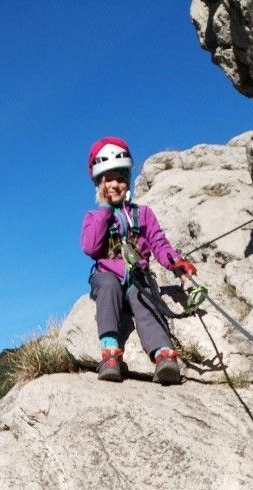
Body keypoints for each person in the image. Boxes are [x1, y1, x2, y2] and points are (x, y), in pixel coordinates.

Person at [81, 136, 197, 385]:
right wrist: (105, 210)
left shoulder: (143, 214)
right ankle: (110, 354)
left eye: (120, 178)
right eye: (108, 179)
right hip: (107, 275)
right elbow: (91, 247)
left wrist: (174, 262)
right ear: (99, 184)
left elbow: (158, 242)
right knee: (109, 287)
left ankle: (163, 355)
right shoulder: (94, 216)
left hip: (136, 275)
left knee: (142, 298)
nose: (115, 184)